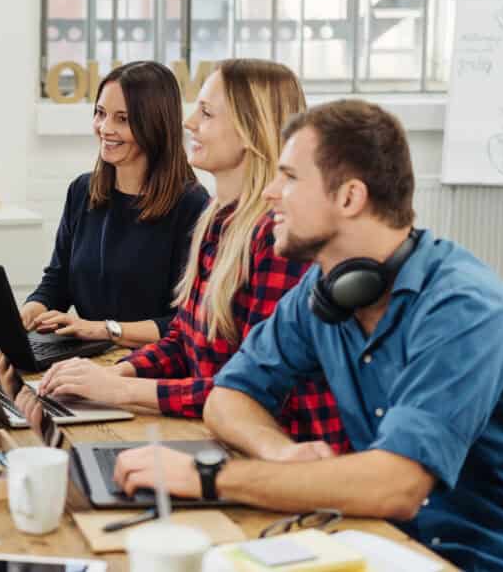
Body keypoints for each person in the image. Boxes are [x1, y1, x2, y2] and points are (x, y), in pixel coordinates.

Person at [114, 100, 503, 570]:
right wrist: (280, 452)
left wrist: (210, 477)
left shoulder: (462, 306)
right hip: (367, 537)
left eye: (290, 177)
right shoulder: (322, 290)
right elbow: (228, 397)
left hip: (466, 557)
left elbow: (397, 485)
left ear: (349, 197)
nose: (271, 193)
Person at [38, 59, 348, 453]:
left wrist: (121, 388)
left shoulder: (280, 236)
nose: (188, 124)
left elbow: (249, 393)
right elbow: (183, 338)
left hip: (289, 455)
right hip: (217, 434)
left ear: (249, 129)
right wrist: (115, 372)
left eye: (206, 113)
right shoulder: (218, 221)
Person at [21, 61, 209, 347]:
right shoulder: (82, 191)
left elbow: (186, 321)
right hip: (86, 355)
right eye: (100, 113)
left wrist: (104, 329)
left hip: (152, 364)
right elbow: (57, 282)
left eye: (123, 119)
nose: (105, 128)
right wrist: (30, 311)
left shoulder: (192, 205)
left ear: (154, 124)